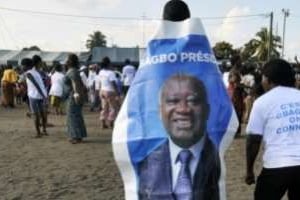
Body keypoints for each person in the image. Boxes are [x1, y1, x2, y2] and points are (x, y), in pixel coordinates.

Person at [138, 74, 220, 200]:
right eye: (173, 101)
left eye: (193, 101)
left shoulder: (218, 157)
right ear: (160, 111)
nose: (183, 110)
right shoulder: (145, 165)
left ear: (207, 110)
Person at [245, 59, 300, 200]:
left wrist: (249, 170)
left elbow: (253, 140)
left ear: (268, 80)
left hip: (277, 165)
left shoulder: (262, 102)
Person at [64, 54, 87, 144]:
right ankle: (78, 135)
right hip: (73, 96)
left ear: (70, 61)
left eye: (67, 60)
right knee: (76, 116)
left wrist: (77, 95)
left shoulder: (72, 71)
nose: (66, 62)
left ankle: (76, 136)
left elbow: (75, 84)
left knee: (73, 117)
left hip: (73, 97)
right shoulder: (73, 71)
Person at [26, 55, 48, 137]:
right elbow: (43, 83)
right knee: (43, 114)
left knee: (36, 114)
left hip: (34, 96)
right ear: (38, 62)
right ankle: (44, 130)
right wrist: (44, 95)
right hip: (41, 95)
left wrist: (43, 95)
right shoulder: (39, 72)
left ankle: (38, 133)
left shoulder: (29, 73)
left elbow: (36, 84)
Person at [97, 57, 120, 129]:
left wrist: (99, 91)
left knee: (104, 107)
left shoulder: (101, 72)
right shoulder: (111, 73)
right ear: (109, 63)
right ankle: (111, 122)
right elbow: (113, 84)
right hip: (110, 91)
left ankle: (103, 122)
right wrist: (117, 93)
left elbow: (100, 82)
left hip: (102, 91)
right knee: (113, 108)